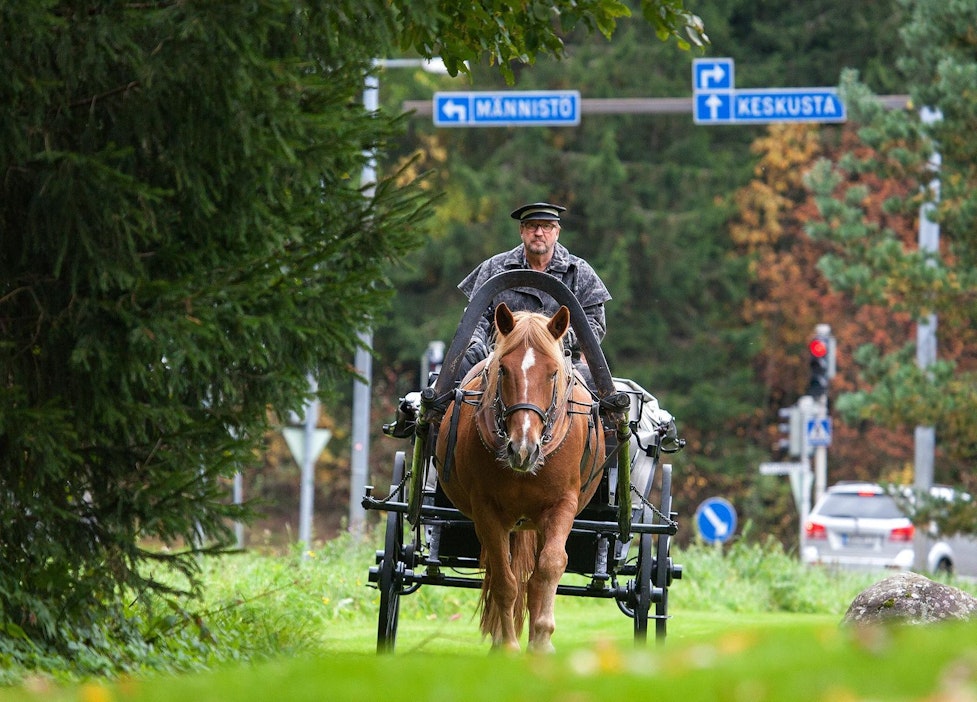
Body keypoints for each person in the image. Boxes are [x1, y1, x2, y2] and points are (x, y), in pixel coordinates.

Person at [458, 202, 611, 380]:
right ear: (521, 231)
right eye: (532, 226)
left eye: (547, 226)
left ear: (557, 232)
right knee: (454, 376)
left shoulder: (578, 271)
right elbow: (474, 317)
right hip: (498, 356)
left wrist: (554, 340)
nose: (539, 233)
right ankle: (432, 407)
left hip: (562, 360)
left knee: (597, 390)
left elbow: (594, 323)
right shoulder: (495, 267)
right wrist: (477, 345)